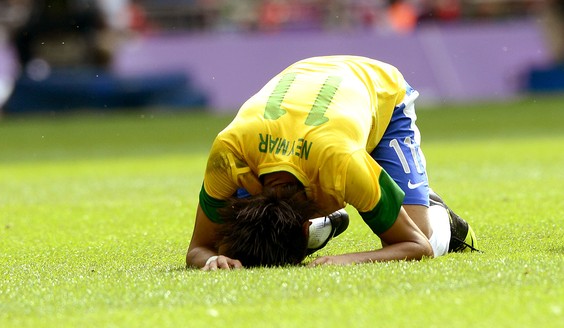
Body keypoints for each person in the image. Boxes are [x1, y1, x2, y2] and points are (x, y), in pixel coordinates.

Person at [186, 55, 477, 270]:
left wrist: (346, 260)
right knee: (244, 240)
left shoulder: (343, 164)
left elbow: (417, 246)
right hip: (308, 79)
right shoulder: (229, 152)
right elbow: (199, 249)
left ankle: (440, 214)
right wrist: (214, 258)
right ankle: (327, 223)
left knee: (422, 233)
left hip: (381, 90)